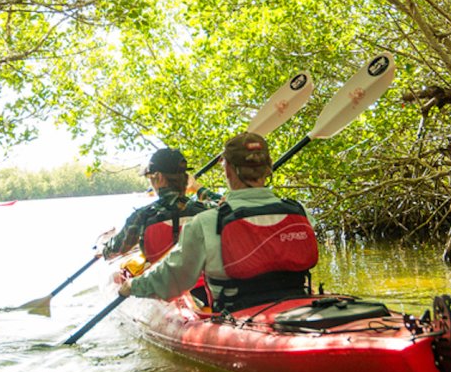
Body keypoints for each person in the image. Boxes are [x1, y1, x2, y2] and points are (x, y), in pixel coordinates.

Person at [119, 131, 319, 311]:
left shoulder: (205, 223)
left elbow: (173, 279)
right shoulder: (301, 213)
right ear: (268, 168)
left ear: (228, 170)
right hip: (300, 304)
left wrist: (132, 286)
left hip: (236, 313)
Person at [100, 148, 210, 261]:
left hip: (162, 278)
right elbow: (223, 203)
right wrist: (197, 187)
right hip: (198, 277)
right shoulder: (206, 211)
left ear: (159, 177)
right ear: (186, 179)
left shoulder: (141, 217)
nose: (150, 182)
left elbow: (114, 250)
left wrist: (102, 247)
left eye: (149, 177)